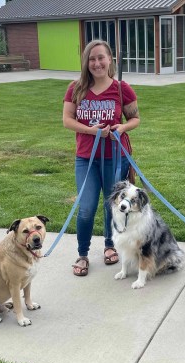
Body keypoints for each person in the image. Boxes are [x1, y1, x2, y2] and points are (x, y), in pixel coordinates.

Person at [63, 39, 140, 276]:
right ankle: (83, 254)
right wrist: (92, 131)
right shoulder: (76, 88)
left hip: (115, 157)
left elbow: (135, 118)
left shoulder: (121, 88)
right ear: (86, 62)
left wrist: (122, 128)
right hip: (86, 157)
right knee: (86, 208)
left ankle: (109, 245)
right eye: (91, 58)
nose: (96, 63)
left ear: (109, 60)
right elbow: (67, 120)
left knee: (112, 205)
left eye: (101, 57)